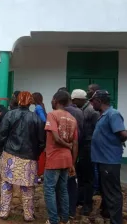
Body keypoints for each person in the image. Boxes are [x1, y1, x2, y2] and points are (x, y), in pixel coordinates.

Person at [0, 91, 45, 222]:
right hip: (28, 157)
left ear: (18, 101)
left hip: (9, 155)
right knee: (27, 187)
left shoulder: (9, 115)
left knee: (7, 184)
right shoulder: (36, 118)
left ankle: (4, 212)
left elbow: (2, 135)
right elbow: (42, 141)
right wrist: (35, 154)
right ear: (30, 102)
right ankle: (28, 215)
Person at [90, 90, 127, 224]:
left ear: (99, 101)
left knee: (112, 192)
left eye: (92, 101)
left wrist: (112, 143)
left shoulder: (113, 114)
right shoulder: (103, 115)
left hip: (109, 160)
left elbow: (123, 134)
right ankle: (107, 214)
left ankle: (116, 221)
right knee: (106, 190)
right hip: (102, 159)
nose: (91, 103)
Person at [44, 90, 79, 224]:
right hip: (67, 159)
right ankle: (65, 219)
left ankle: (53, 220)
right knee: (63, 190)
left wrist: (66, 145)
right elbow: (75, 143)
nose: (51, 101)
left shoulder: (52, 115)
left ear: (56, 100)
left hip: (54, 158)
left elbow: (56, 138)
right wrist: (72, 163)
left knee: (49, 190)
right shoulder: (72, 118)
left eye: (53, 99)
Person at [71, 89, 100, 216]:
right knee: (80, 175)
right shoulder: (83, 109)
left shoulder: (91, 111)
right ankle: (80, 199)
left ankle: (87, 205)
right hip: (82, 146)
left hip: (89, 147)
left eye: (74, 101)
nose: (73, 103)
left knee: (88, 177)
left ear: (80, 100)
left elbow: (96, 131)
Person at [58, 87, 84, 220]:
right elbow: (80, 135)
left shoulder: (58, 113)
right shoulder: (79, 112)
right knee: (72, 182)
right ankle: (71, 211)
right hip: (75, 150)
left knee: (60, 183)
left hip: (60, 152)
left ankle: (61, 211)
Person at [32, 92, 47, 179]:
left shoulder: (38, 107)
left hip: (39, 134)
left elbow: (44, 120)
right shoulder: (41, 106)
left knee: (39, 154)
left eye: (32, 98)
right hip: (41, 133)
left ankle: (39, 173)